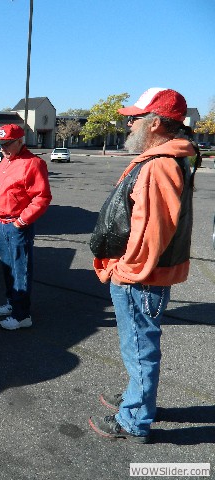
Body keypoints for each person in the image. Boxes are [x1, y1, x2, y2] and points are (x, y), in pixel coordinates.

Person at [88, 88, 196, 443]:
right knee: (138, 347)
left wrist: (125, 271)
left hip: (140, 277)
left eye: (135, 117)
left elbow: (152, 232)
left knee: (140, 347)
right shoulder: (165, 158)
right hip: (144, 275)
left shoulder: (160, 165)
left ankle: (134, 418)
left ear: (155, 124)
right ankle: (139, 400)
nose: (129, 123)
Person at [0, 124, 52, 330]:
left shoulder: (33, 164)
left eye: (8, 144)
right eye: (1, 145)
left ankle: (22, 315)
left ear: (20, 141)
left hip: (17, 226)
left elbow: (41, 198)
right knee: (7, 268)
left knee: (20, 270)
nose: (4, 149)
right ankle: (12, 303)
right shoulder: (5, 161)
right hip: (1, 223)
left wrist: (21, 221)